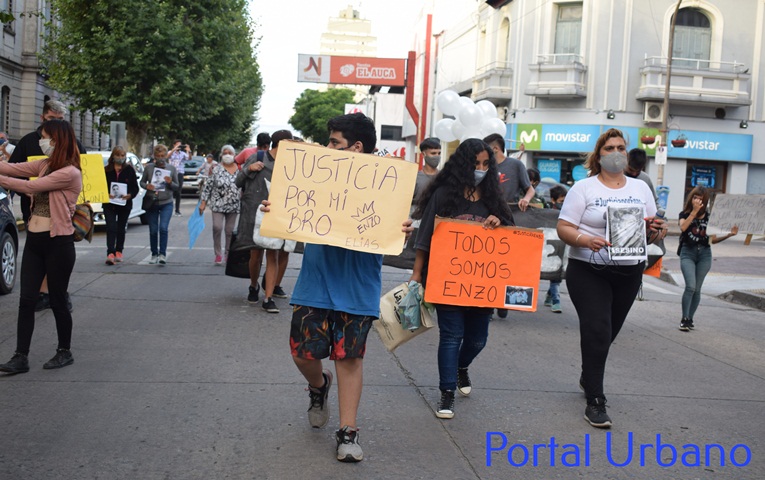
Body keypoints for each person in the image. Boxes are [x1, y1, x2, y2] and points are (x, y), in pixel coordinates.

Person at [261, 112, 413, 462]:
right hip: (315, 283)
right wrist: (276, 209)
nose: (327, 148)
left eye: (334, 142)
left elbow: (395, 231)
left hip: (358, 288)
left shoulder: (388, 183)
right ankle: (319, 386)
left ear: (356, 147)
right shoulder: (317, 175)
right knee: (302, 354)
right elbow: (291, 208)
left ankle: (348, 432)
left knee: (349, 358)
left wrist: (402, 229)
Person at [556, 128, 666, 429]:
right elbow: (563, 227)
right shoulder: (584, 188)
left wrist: (658, 230)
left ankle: (588, 374)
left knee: (607, 334)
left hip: (629, 271)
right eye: (609, 148)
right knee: (598, 329)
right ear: (598, 155)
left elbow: (651, 228)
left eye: (620, 148)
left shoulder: (641, 188)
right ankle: (595, 400)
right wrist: (584, 239)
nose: (616, 153)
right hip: (588, 269)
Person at [410, 138, 514, 420]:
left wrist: (499, 222)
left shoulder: (493, 197)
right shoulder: (444, 194)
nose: (480, 169)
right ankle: (447, 392)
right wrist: (417, 275)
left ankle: (461, 367)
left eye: (485, 164)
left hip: (483, 285)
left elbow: (512, 237)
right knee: (451, 336)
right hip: (447, 280)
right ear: (463, 164)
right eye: (475, 163)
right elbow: (425, 237)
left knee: (478, 340)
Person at [0, 119, 83, 374]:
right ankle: (20, 356)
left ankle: (64, 351)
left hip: (58, 243)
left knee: (57, 300)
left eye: (45, 137)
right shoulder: (45, 165)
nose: (41, 141)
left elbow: (30, 186)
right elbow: (14, 168)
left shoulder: (70, 172)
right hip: (35, 242)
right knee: (27, 300)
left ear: (58, 140)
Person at [9, 100, 84, 312]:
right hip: (34, 211)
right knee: (37, 257)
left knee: (58, 258)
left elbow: (85, 171)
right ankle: (41, 294)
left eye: (60, 120)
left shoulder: (73, 144)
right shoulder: (28, 142)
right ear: (42, 118)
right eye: (52, 119)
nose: (56, 124)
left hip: (61, 215)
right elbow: (15, 169)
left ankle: (57, 294)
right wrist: (20, 192)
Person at [677, 187, 738, 332]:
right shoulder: (684, 214)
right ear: (691, 199)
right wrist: (694, 212)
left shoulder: (709, 218)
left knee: (697, 289)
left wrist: (729, 234)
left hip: (704, 254)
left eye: (700, 199)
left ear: (705, 202)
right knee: (690, 286)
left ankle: (690, 318)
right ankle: (684, 319)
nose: (697, 201)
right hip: (688, 253)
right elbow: (683, 227)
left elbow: (713, 240)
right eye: (695, 198)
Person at [255, 130, 293, 314]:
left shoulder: (295, 162)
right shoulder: (261, 159)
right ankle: (258, 288)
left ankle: (269, 294)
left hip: (286, 213)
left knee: (278, 253)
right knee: (265, 254)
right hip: (267, 211)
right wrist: (249, 169)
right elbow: (241, 181)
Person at [199, 145, 241, 265]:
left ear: (234, 155)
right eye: (225, 153)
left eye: (230, 153)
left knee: (229, 231)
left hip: (233, 205)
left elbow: (244, 186)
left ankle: (228, 254)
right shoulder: (216, 169)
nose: (227, 155)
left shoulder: (240, 169)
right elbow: (208, 186)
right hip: (218, 204)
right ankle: (218, 254)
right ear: (221, 155)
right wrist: (203, 202)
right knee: (217, 227)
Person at [140, 144, 179, 265]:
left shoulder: (171, 169)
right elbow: (142, 182)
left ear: (166, 156)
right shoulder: (149, 168)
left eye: (163, 155)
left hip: (166, 202)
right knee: (153, 230)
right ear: (154, 156)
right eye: (158, 155)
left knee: (163, 228)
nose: (160, 158)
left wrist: (170, 182)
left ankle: (162, 254)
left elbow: (177, 186)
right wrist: (147, 186)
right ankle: (154, 253)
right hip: (152, 202)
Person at [103, 145, 140, 265]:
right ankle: (110, 252)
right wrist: (106, 194)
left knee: (121, 228)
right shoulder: (106, 170)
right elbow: (101, 186)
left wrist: (130, 195)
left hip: (124, 204)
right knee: (111, 227)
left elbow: (135, 188)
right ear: (113, 156)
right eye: (118, 155)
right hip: (109, 204)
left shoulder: (129, 170)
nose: (120, 157)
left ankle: (119, 251)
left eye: (122, 155)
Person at [483, 134, 535, 211]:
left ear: (495, 149)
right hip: (488, 211)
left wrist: (526, 199)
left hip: (511, 212)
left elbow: (530, 189)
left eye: (486, 149)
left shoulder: (516, 164)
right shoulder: (484, 167)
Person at [545, 185, 568, 313]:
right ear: (553, 200)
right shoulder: (546, 212)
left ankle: (552, 297)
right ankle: (555, 300)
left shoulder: (567, 212)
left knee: (556, 274)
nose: (563, 204)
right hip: (549, 248)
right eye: (561, 201)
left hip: (562, 245)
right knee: (554, 274)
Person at [412, 137, 441, 204]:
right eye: (433, 153)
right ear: (423, 154)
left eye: (439, 153)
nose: (437, 156)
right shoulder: (415, 178)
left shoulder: (444, 177)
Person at [167, 140, 190, 216]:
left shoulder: (182, 153)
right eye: (177, 145)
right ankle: (168, 209)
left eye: (180, 145)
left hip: (180, 173)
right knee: (170, 190)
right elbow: (167, 156)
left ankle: (177, 210)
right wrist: (174, 149)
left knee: (178, 192)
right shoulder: (171, 152)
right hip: (171, 173)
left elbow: (189, 158)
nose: (179, 147)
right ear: (174, 145)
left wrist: (188, 151)